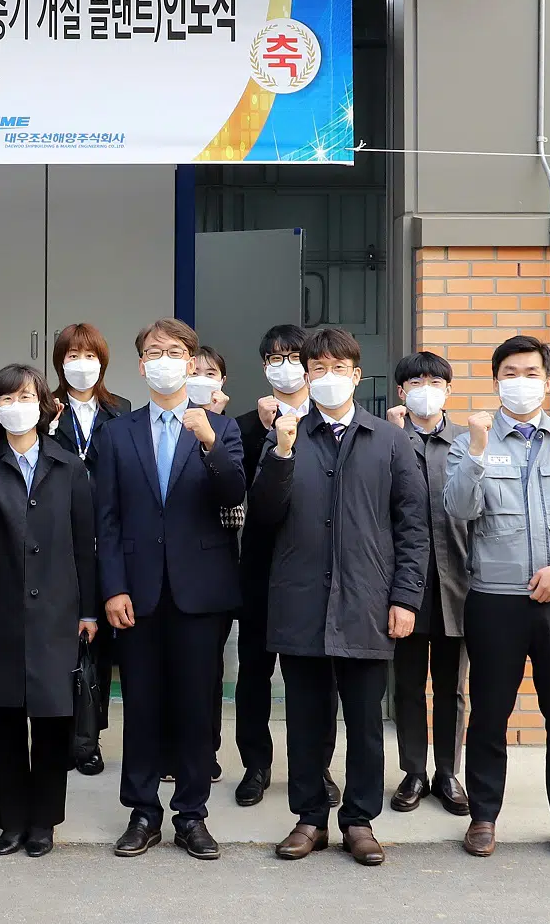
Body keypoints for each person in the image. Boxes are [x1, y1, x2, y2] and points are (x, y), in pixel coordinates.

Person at [249, 327, 428, 867]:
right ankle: (309, 818)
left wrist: (405, 599)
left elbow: (412, 527)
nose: (328, 377)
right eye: (318, 369)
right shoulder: (284, 437)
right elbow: (263, 516)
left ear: (357, 374)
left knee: (366, 722)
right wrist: (281, 454)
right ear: (307, 377)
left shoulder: (390, 440)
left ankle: (359, 821)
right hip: (300, 602)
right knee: (306, 720)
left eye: (339, 368)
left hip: (366, 602)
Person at [444, 335, 550, 861]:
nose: (520, 382)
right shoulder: (469, 441)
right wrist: (477, 451)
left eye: (530, 373)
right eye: (510, 374)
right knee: (488, 714)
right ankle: (483, 817)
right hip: (494, 601)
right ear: (496, 382)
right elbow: (458, 509)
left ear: (548, 381)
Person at [91, 318, 244, 861]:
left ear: (191, 362)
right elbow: (106, 519)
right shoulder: (117, 433)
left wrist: (209, 441)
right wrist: (112, 588)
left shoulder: (221, 429)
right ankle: (142, 812)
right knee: (142, 705)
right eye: (154, 352)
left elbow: (233, 492)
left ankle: (192, 814)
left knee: (197, 707)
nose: (164, 360)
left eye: (175, 352)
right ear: (141, 366)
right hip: (137, 592)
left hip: (200, 591)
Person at [0, 364, 98, 858]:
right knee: (5, 721)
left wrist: (89, 611)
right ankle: (11, 821)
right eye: (5, 399)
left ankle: (44, 822)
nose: (16, 407)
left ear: (43, 407)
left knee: (53, 723)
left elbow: (85, 544)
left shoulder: (68, 466)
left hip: (57, 610)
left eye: (25, 398)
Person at [232, 324, 337, 809]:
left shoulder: (327, 423)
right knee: (254, 672)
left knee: (316, 679)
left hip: (314, 570)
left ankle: (317, 767)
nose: (286, 367)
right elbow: (237, 490)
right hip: (260, 566)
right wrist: (263, 430)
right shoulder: (243, 426)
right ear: (264, 367)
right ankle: (256, 764)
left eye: (295, 357)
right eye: (275, 358)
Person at [384, 352, 472, 817]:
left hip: (458, 582)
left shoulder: (467, 442)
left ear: (448, 391)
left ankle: (448, 772)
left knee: (452, 686)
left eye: (435, 381)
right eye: (416, 382)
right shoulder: (387, 440)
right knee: (408, 685)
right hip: (406, 585)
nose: (426, 389)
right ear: (402, 391)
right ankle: (414, 772)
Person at [49, 323, 131, 777]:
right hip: (58, 540)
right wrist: (49, 428)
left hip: (106, 539)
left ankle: (90, 738)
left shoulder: (120, 410)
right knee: (61, 641)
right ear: (59, 362)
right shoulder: (46, 408)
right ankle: (60, 733)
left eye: (90, 356)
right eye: (72, 356)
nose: (81, 364)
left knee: (97, 647)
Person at [190, 345, 234, 785]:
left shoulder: (228, 428)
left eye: (210, 372)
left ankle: (205, 751)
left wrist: (212, 434)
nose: (202, 378)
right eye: (195, 371)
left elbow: (234, 501)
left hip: (211, 570)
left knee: (206, 673)